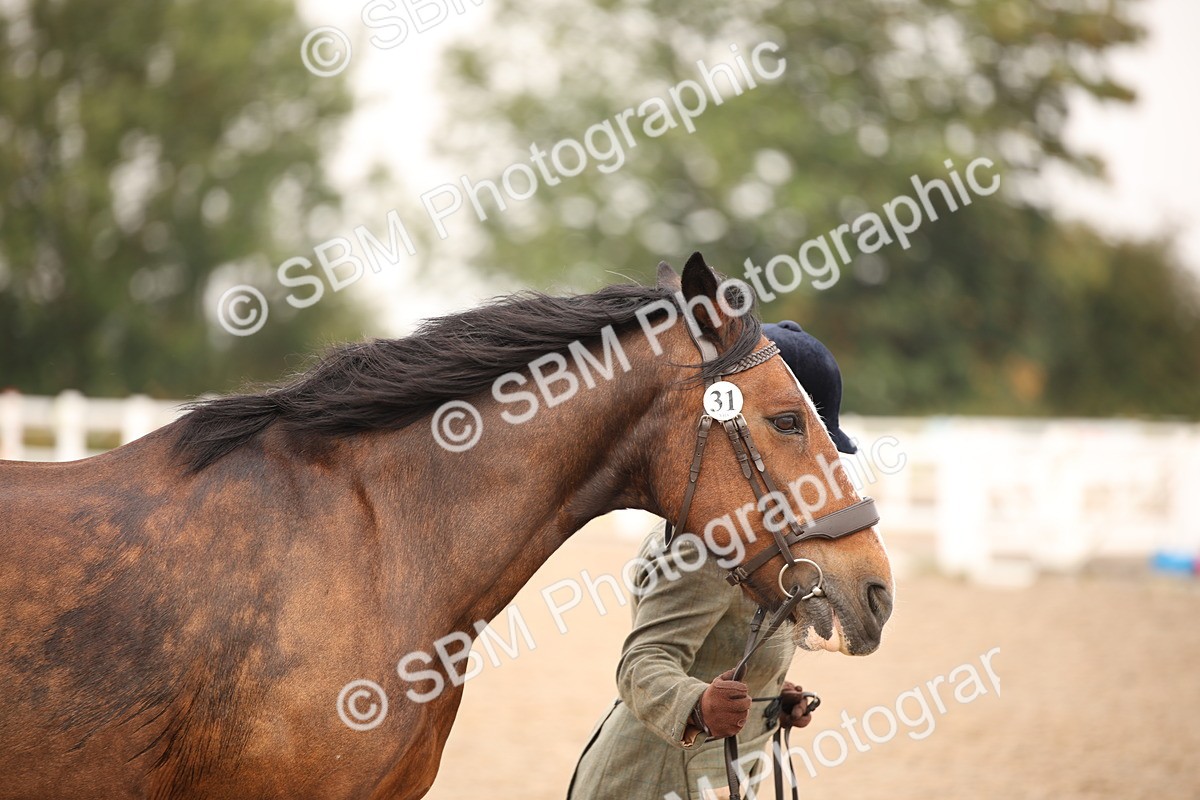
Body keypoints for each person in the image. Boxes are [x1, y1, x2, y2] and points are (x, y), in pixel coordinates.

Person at [567, 321, 860, 800]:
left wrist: (769, 694)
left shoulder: (766, 536)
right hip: (650, 782)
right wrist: (699, 705)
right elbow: (642, 664)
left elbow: (725, 645)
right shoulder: (707, 543)